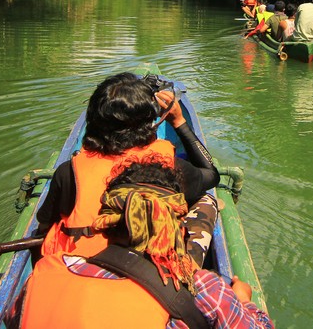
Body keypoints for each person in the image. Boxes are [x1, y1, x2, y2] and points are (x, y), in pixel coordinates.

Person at [17, 162, 274, 329]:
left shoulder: (46, 272)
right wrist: (243, 300)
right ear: (175, 225)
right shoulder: (206, 291)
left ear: (107, 221)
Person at [35, 73, 219, 259]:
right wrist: (179, 122)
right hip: (149, 276)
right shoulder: (169, 167)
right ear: (149, 123)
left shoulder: (68, 171)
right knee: (207, 200)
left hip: (80, 266)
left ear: (92, 121)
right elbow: (211, 174)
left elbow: (44, 225)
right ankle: (189, 273)